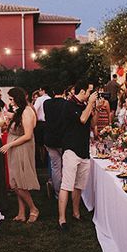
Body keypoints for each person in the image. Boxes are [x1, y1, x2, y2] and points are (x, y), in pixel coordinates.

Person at [58, 81, 97, 230]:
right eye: (89, 91)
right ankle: (62, 219)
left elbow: (91, 123)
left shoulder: (85, 105)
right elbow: (81, 119)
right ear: (82, 91)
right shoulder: (69, 105)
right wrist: (90, 104)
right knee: (67, 185)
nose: (91, 94)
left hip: (83, 150)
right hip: (71, 150)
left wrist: (95, 108)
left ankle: (76, 213)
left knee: (79, 185)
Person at [0, 87, 40, 223]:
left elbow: (28, 135)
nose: (9, 102)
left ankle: (33, 209)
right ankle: (21, 212)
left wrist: (9, 144)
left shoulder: (27, 111)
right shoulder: (20, 111)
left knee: (18, 183)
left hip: (21, 148)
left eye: (11, 99)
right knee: (16, 180)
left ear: (17, 98)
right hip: (15, 148)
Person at [43, 87, 66, 199]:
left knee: (55, 167)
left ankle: (58, 193)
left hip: (50, 138)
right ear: (64, 92)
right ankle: (65, 192)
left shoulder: (46, 104)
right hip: (63, 139)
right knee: (65, 167)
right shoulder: (66, 104)